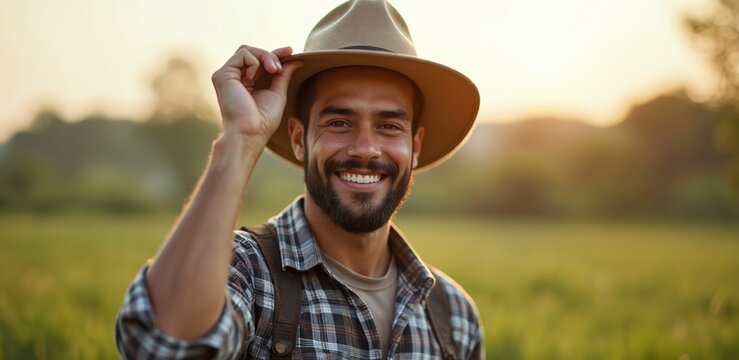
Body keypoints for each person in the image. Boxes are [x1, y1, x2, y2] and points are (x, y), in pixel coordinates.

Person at [115, 0, 483, 358]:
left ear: (414, 146)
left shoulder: (453, 315)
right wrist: (240, 140)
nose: (366, 149)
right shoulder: (248, 272)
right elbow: (159, 346)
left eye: (389, 126)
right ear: (297, 138)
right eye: (340, 123)